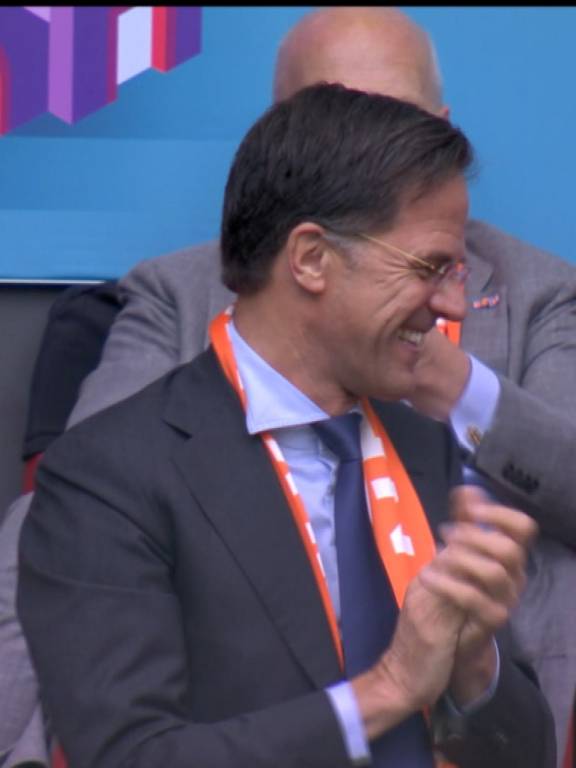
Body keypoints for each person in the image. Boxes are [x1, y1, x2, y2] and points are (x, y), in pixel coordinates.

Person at [61, 8, 576, 762]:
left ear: (439, 128)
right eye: (328, 117)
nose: (361, 149)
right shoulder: (175, 295)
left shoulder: (535, 297)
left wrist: (456, 385)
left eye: (389, 122)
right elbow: (76, 512)